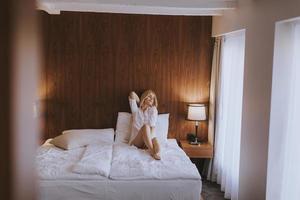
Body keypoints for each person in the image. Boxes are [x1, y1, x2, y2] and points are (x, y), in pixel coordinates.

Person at [128, 90, 161, 160]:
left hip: (148, 140)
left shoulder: (153, 110)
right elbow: (132, 94)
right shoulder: (135, 110)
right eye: (149, 96)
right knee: (145, 126)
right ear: (144, 97)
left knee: (156, 141)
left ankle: (155, 151)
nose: (151, 99)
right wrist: (141, 102)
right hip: (136, 141)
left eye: (153, 98)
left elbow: (152, 127)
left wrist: (152, 140)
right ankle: (152, 152)